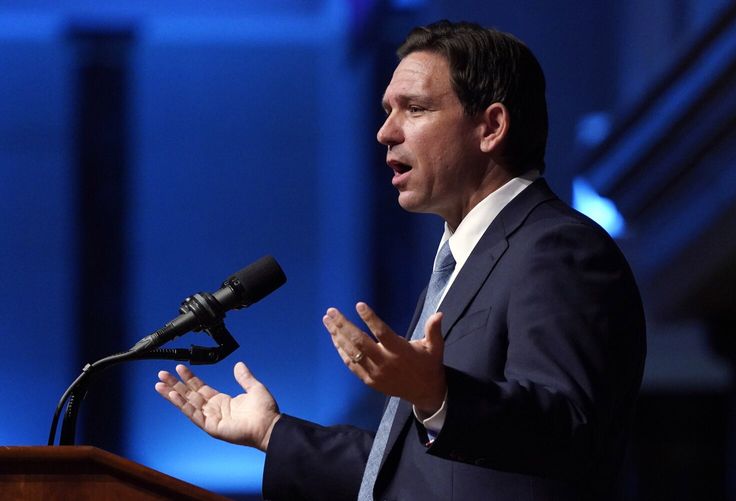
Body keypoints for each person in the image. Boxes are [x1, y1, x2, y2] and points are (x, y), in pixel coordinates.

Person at [155, 20, 646, 500]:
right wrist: (271, 432)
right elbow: (410, 473)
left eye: (415, 108)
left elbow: (572, 430)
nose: (385, 132)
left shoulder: (556, 249)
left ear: (491, 127)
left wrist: (439, 395)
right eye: (388, 110)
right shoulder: (461, 260)